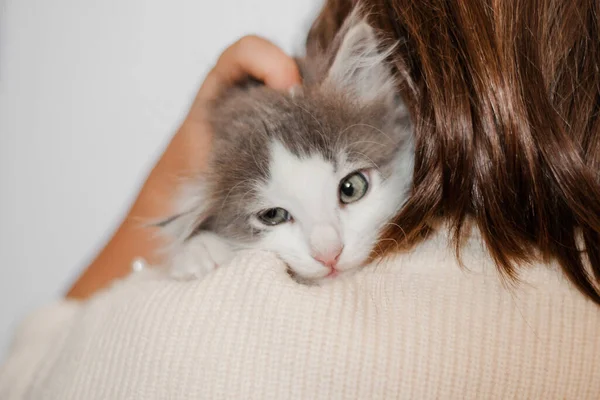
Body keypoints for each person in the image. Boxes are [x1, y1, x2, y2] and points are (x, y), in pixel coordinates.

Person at [1, 0, 599, 398]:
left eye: (350, 188)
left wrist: (167, 181)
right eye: (276, 215)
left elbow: (23, 374)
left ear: (410, 112)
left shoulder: (198, 335)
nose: (327, 246)